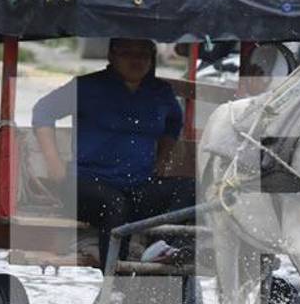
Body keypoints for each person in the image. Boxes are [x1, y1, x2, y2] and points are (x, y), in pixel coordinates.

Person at [32, 37, 194, 267]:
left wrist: (161, 160)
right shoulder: (87, 87)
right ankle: (114, 283)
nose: (136, 60)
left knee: (192, 190)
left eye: (143, 54)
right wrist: (54, 164)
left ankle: (161, 247)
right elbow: (43, 112)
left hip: (138, 185)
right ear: (111, 56)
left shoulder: (160, 92)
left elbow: (174, 123)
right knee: (115, 204)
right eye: (127, 53)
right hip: (86, 185)